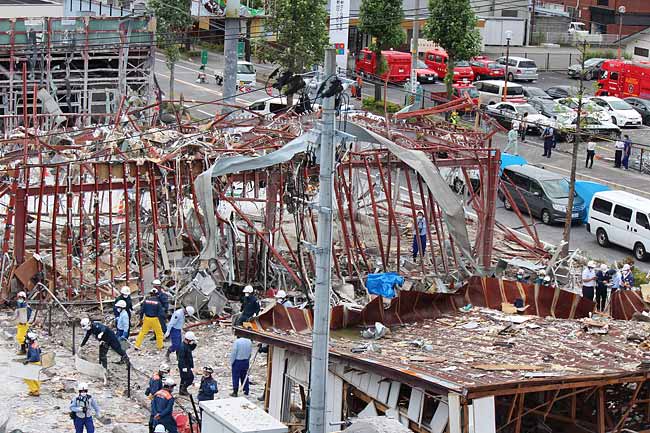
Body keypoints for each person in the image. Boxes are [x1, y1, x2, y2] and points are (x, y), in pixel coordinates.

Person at [177, 331, 198, 396]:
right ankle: (183, 389)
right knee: (190, 378)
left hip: (186, 365)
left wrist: (195, 343)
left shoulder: (186, 345)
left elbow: (191, 348)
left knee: (183, 378)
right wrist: (184, 367)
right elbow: (181, 358)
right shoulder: (182, 347)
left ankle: (181, 391)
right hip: (184, 366)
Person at [23, 331, 41, 396]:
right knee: (36, 377)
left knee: (27, 377)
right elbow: (39, 351)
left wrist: (28, 360)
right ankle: (37, 389)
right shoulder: (35, 344)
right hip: (38, 362)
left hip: (33, 363)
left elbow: (34, 356)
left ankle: (34, 390)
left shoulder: (31, 346)